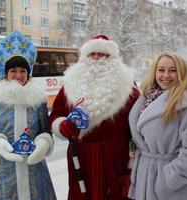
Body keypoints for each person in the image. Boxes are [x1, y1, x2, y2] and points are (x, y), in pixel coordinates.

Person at [49, 34, 140, 200]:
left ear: (111, 57)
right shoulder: (71, 82)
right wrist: (62, 126)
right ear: (85, 57)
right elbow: (56, 113)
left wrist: (132, 167)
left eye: (102, 54)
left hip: (116, 160)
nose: (96, 58)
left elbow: (137, 125)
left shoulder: (127, 83)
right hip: (81, 158)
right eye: (92, 54)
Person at [0, 30, 56, 200]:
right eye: (13, 71)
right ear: (5, 72)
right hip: (3, 175)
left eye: (23, 71)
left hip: (35, 171)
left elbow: (45, 131)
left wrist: (43, 144)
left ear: (28, 72)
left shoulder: (38, 99)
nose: (18, 75)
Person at [128, 52, 187, 200]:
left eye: (172, 70)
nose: (166, 75)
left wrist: (168, 180)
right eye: (161, 70)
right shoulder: (147, 98)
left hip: (171, 189)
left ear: (182, 73)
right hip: (144, 180)